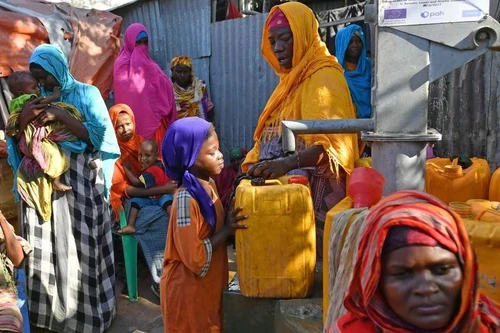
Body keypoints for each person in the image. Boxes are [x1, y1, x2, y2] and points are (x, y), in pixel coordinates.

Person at [9, 44, 120, 332]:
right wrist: (23, 120)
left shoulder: (87, 94)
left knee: (82, 250)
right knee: (49, 251)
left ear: (57, 67)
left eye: (44, 75)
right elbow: (18, 143)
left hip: (81, 183)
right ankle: (54, 317)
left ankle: (89, 317)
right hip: (42, 187)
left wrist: (60, 115)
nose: (43, 82)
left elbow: (98, 138)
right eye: (37, 77)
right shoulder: (32, 99)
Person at [242, 2, 359, 257]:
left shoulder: (324, 77)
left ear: (304, 34)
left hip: (316, 202)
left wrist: (286, 163)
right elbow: (270, 130)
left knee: (312, 264)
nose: (277, 48)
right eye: (272, 41)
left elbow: (332, 147)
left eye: (285, 38)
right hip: (288, 192)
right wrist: (255, 162)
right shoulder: (290, 80)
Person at [331, 191, 500, 333]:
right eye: (402, 274)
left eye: (442, 269)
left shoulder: (490, 325)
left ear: (465, 270)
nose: (427, 288)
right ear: (375, 282)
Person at [160, 117, 248, 332]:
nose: (220, 157)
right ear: (189, 158)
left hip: (206, 286)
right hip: (187, 291)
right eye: (211, 153)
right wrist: (227, 229)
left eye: (218, 149)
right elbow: (195, 258)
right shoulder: (185, 200)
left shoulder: (208, 185)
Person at [109, 103, 176, 297]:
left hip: (149, 192)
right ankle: (160, 276)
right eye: (119, 126)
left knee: (174, 211)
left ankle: (171, 269)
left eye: (128, 123)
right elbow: (126, 189)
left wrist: (162, 188)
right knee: (160, 219)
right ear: (112, 127)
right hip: (126, 201)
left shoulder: (142, 143)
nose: (125, 129)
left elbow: (158, 168)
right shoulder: (113, 153)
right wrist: (162, 189)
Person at [5, 71, 85, 221]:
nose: (38, 89)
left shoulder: (13, 103)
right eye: (34, 87)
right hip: (33, 138)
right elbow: (40, 105)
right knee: (54, 155)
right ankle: (56, 179)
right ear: (22, 92)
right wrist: (55, 97)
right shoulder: (28, 100)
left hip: (27, 140)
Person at [113, 23, 177, 147]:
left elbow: (163, 88)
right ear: (130, 42)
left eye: (145, 42)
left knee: (157, 159)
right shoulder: (121, 65)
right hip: (131, 127)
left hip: (157, 123)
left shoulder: (149, 64)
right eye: (138, 42)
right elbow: (127, 96)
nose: (142, 46)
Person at [119, 139, 174, 234]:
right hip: (152, 198)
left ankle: (175, 220)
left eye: (147, 155)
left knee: (167, 202)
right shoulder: (157, 165)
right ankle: (131, 226)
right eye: (140, 155)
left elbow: (137, 182)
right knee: (135, 202)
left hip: (162, 196)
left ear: (156, 156)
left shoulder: (153, 170)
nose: (143, 158)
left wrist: (126, 170)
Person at [0, 211, 32, 333]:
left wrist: (2, 220)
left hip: (3, 303)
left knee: (10, 319)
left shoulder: (4, 237)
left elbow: (18, 260)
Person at [335, 25, 372, 119]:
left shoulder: (370, 66)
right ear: (342, 45)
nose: (355, 45)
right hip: (346, 122)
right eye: (350, 42)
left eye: (358, 41)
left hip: (371, 121)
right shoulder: (336, 70)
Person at [170, 56, 214, 121]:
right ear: (172, 71)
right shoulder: (168, 88)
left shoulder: (199, 87)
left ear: (190, 72)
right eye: (178, 72)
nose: (182, 75)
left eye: (185, 72)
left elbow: (208, 109)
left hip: (198, 126)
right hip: (177, 127)